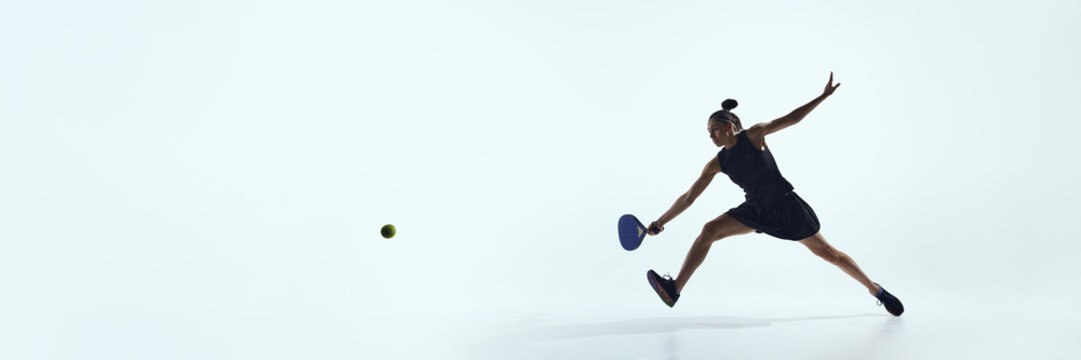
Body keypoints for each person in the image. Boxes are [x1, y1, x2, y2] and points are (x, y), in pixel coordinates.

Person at [644, 73, 904, 316]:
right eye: (707, 132)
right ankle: (674, 289)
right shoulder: (717, 163)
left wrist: (822, 96)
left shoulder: (754, 135)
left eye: (714, 128)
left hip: (786, 207)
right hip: (755, 209)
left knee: (829, 254)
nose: (710, 135)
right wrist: (660, 223)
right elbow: (688, 197)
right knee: (709, 230)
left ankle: (875, 289)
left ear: (729, 125)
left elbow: (792, 118)